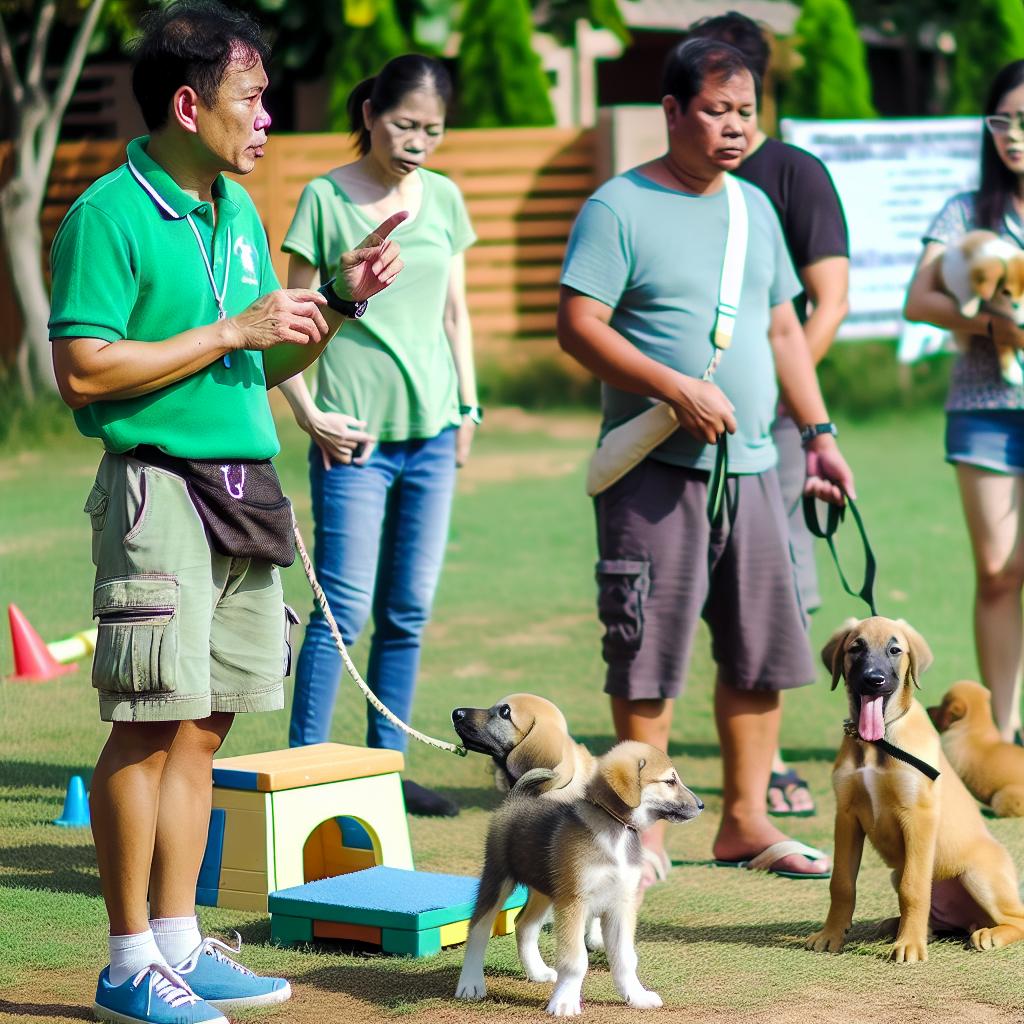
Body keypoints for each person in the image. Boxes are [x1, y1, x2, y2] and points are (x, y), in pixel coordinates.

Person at [48, 4, 404, 1022]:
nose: (267, 122)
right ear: (187, 102)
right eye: (253, 100)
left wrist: (335, 300)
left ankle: (176, 941)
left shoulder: (237, 213)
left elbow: (259, 360)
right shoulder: (107, 214)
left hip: (245, 490)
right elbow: (83, 370)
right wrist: (227, 328)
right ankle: (126, 965)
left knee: (205, 727)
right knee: (147, 725)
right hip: (156, 486)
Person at [557, 37, 856, 883]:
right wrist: (675, 388)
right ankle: (645, 833)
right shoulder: (617, 207)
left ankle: (746, 821)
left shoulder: (754, 209)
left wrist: (821, 434)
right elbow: (578, 325)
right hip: (655, 471)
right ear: (673, 112)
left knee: (763, 654)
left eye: (746, 113)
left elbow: (785, 330)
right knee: (648, 656)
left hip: (761, 468)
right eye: (717, 111)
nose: (733, 128)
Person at [281, 55, 479, 818]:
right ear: (370, 113)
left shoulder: (448, 198)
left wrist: (468, 407)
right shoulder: (325, 199)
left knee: (408, 612)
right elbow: (289, 319)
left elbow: (455, 313)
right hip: (351, 442)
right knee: (344, 610)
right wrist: (308, 413)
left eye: (433, 129)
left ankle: (385, 769)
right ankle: (304, 773)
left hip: (431, 436)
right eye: (404, 124)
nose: (419, 142)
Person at [687, 11, 851, 817]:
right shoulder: (678, 183)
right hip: (692, 427)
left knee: (780, 583)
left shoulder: (793, 175)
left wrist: (794, 400)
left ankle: (774, 759)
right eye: (713, 97)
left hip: (779, 426)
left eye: (739, 97)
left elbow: (824, 303)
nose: (729, 115)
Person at [905, 59, 1024, 747]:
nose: (1013, 135)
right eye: (1002, 120)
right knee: (999, 571)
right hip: (985, 404)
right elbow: (919, 299)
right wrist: (990, 327)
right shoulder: (965, 210)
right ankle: (1002, 734)